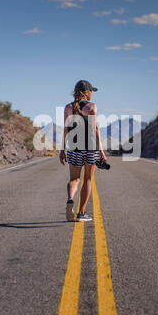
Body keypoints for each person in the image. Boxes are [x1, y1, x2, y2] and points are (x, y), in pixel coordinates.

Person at [59, 80, 107, 222]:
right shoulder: (92, 107)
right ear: (86, 93)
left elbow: (66, 129)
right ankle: (81, 213)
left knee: (74, 179)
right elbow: (95, 129)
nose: (92, 94)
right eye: (91, 91)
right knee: (87, 179)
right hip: (90, 148)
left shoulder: (68, 108)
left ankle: (70, 199)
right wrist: (101, 151)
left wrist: (62, 150)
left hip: (74, 148)